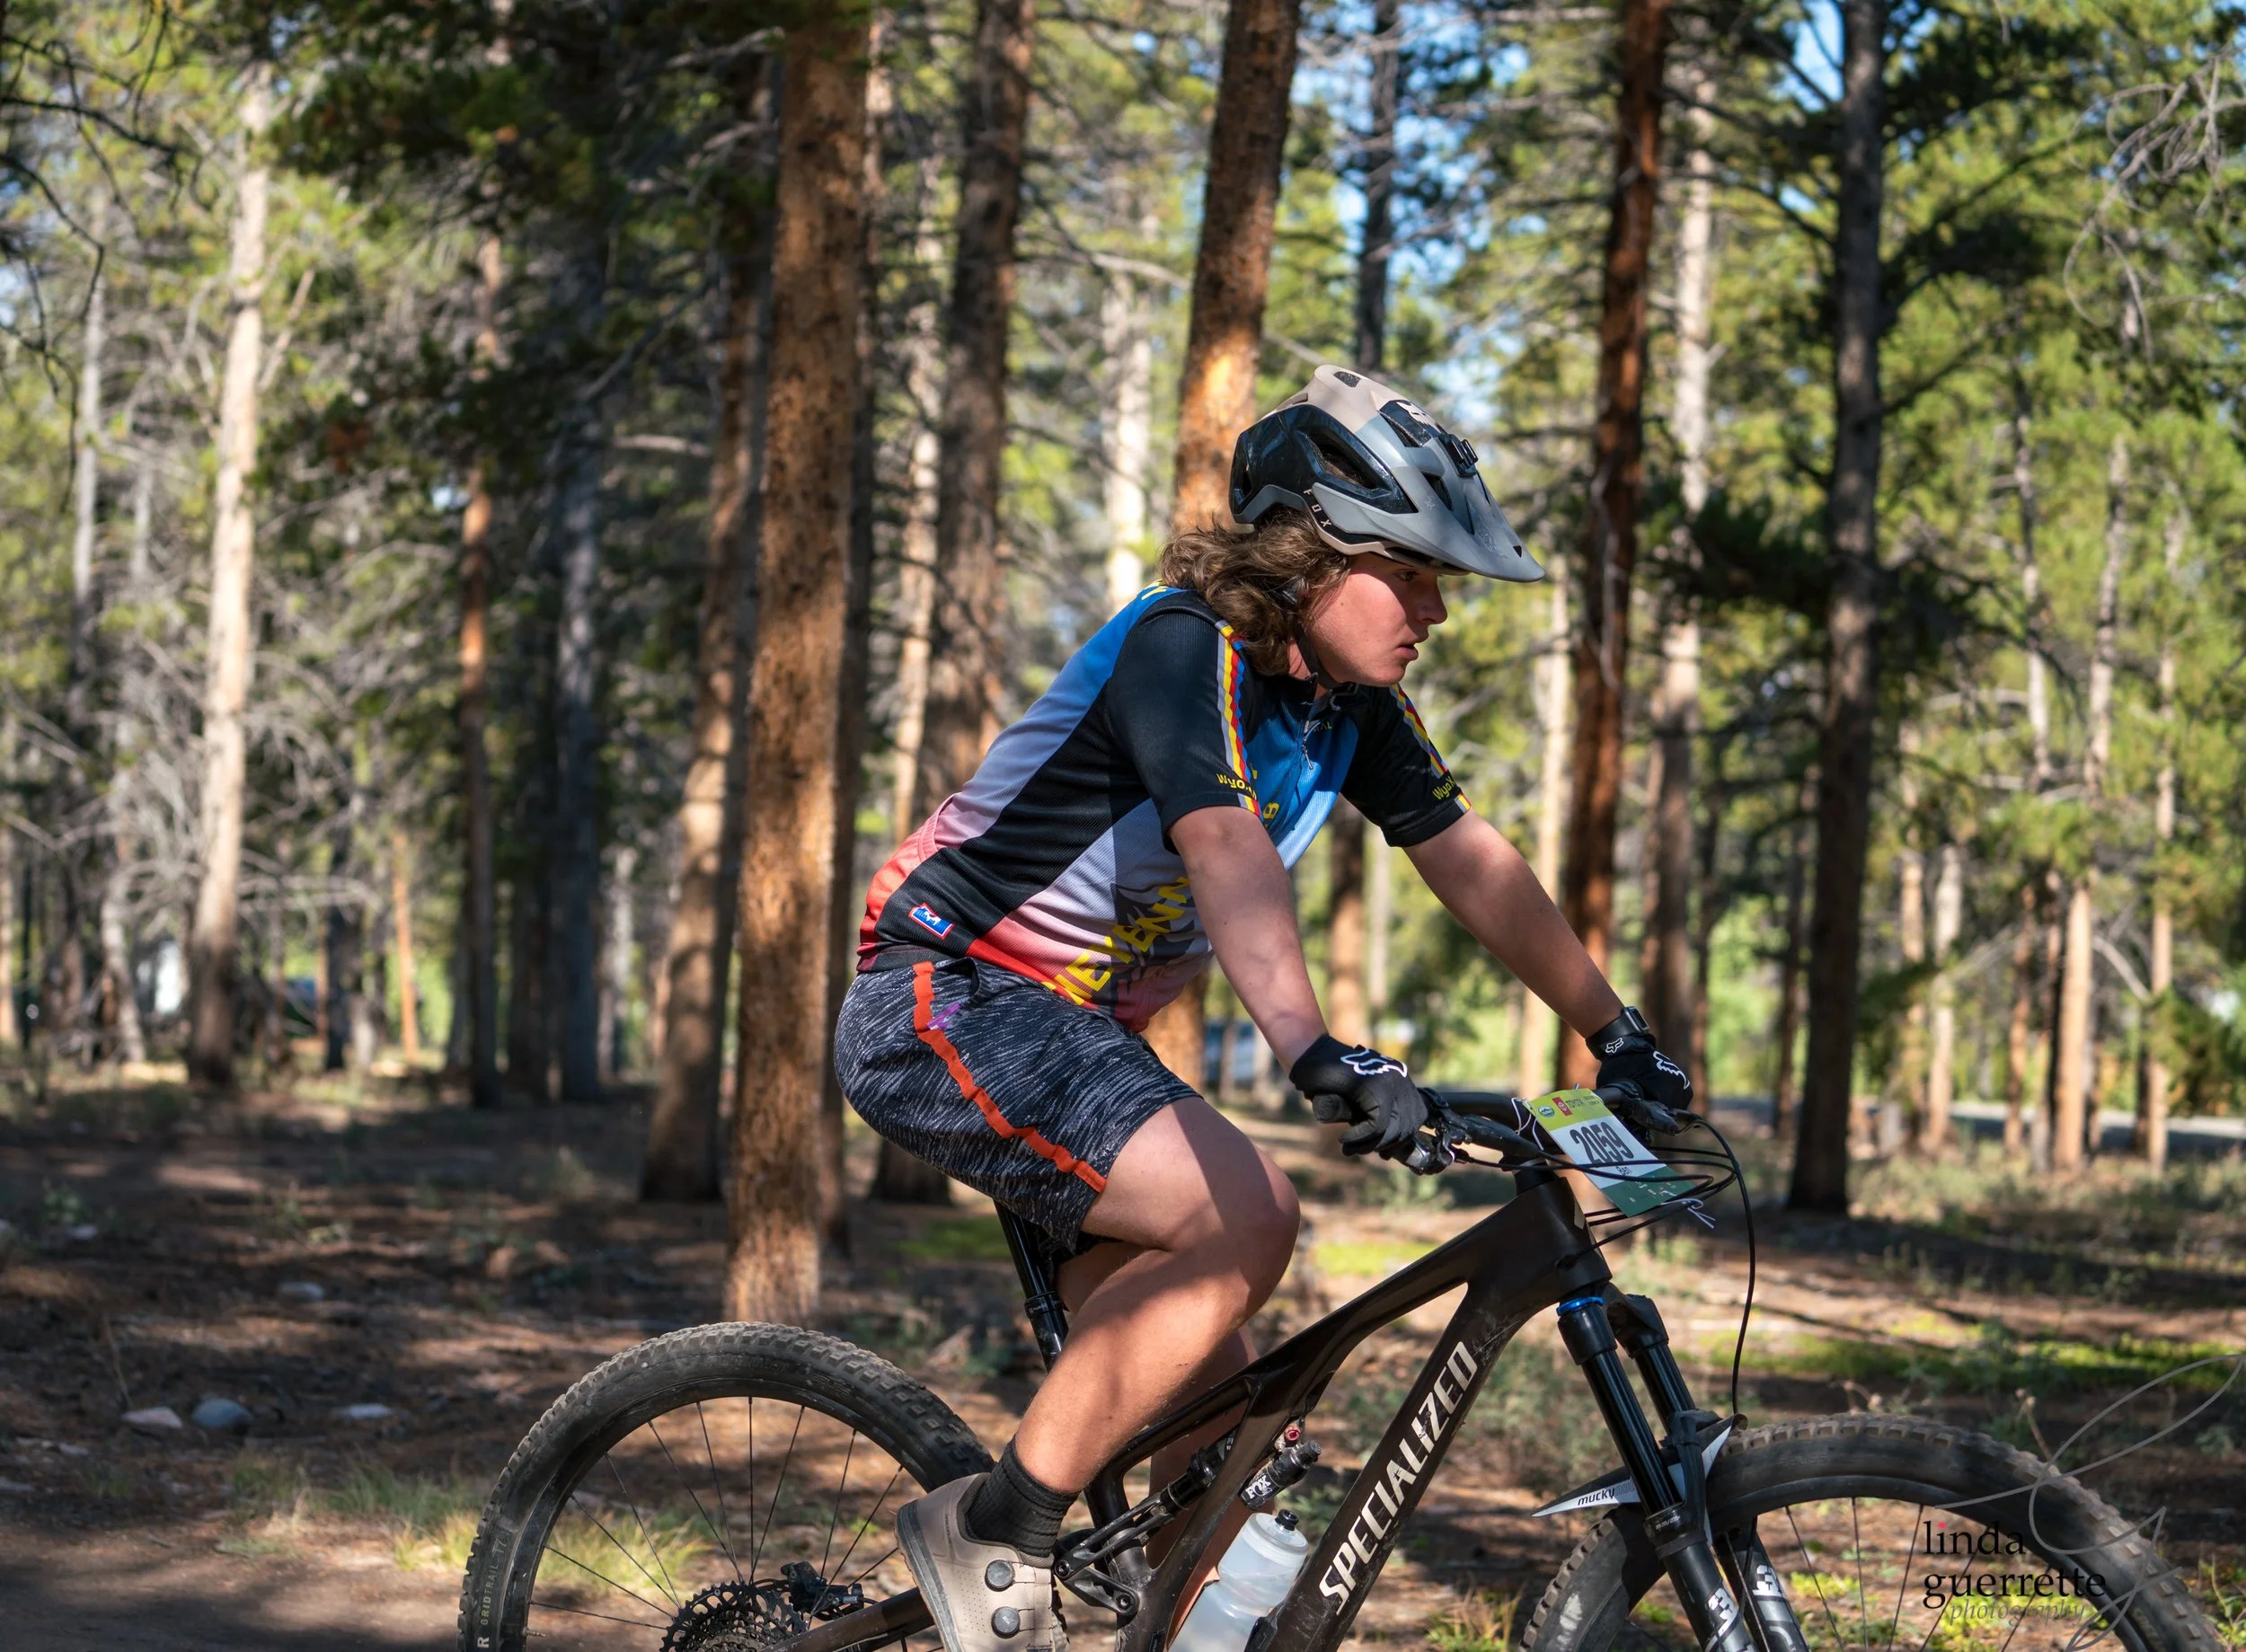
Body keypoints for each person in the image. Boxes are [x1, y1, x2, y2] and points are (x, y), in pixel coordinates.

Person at [834, 366, 1692, 1652]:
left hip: (1073, 1046)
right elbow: (1224, 843)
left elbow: (1470, 859)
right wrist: (1314, 1049)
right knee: (1250, 1213)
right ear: (1313, 554)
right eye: (1413, 575)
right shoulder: (1183, 646)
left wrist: (1616, 1031)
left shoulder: (1349, 708)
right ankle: (993, 1527)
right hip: (946, 997)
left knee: (1224, 1458)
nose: (1437, 610)